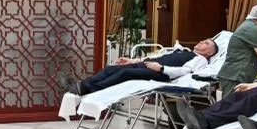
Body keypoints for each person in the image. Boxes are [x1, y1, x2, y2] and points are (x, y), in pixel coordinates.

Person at [59, 38, 219, 95]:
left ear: (209, 53)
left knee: (125, 74)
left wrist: (161, 69)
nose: (202, 42)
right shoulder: (183, 51)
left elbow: (184, 71)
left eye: (206, 43)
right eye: (203, 40)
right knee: (110, 69)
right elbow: (156, 56)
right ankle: (81, 86)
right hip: (149, 65)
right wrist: (132, 60)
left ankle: (86, 89)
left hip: (161, 74)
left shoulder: (200, 60)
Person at [174, 80, 257, 129]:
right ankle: (199, 117)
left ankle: (208, 122)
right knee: (237, 95)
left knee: (253, 100)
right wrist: (252, 85)